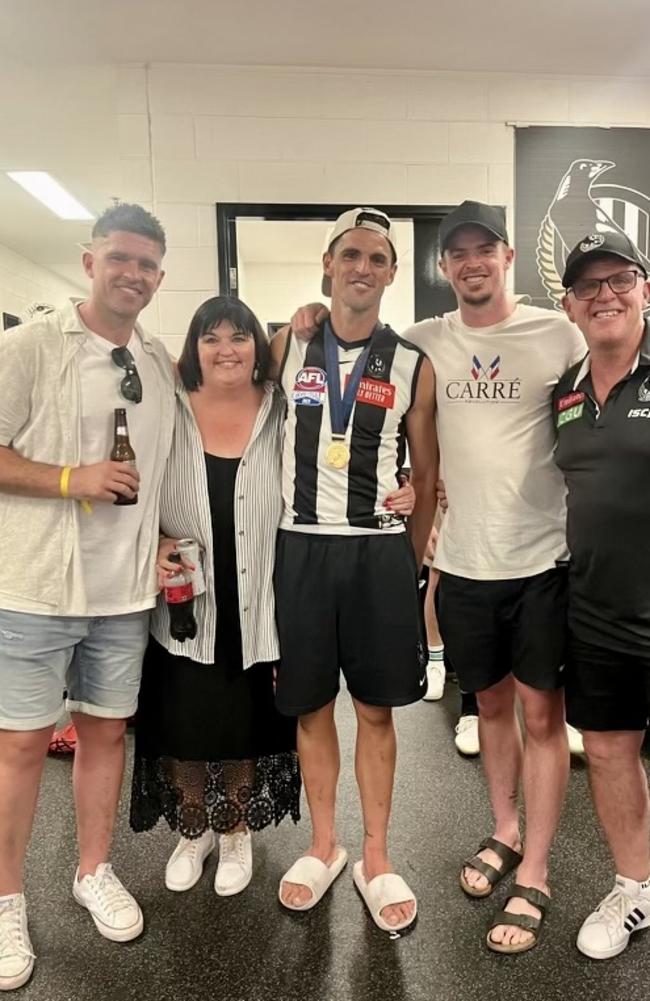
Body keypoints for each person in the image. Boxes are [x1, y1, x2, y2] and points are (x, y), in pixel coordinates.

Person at [289, 200, 585, 953]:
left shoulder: (558, 332)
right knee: (485, 707)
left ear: (508, 256)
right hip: (460, 564)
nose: (472, 262)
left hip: (540, 556)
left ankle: (539, 870)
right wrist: (300, 320)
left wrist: (405, 549)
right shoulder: (416, 341)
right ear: (441, 267)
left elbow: (597, 411)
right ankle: (502, 831)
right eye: (458, 253)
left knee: (542, 718)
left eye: (485, 249)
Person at [0, 203, 174, 990]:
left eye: (146, 265)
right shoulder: (29, 347)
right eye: (120, 259)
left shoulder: (158, 359)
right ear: (89, 261)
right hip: (35, 588)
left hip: (123, 594)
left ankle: (93, 869)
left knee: (105, 738)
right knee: (21, 746)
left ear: (159, 278)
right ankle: (6, 900)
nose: (132, 274)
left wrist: (167, 539)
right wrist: (72, 480)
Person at [271, 208, 437, 934]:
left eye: (376, 256)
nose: (362, 267)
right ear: (328, 265)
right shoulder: (286, 343)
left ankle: (375, 853)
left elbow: (426, 475)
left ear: (392, 272)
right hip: (301, 545)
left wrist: (411, 561)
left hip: (376, 553)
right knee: (311, 707)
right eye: (350, 255)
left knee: (375, 708)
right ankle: (322, 843)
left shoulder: (411, 363)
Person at [129, 296, 302, 896]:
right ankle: (193, 826)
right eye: (211, 338)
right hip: (185, 595)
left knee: (243, 716)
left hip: (259, 591)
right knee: (186, 715)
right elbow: (137, 485)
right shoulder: (169, 407)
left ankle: (233, 830)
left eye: (238, 337)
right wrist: (152, 543)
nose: (226, 349)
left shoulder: (279, 407)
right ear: (194, 348)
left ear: (258, 344)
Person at [554, 231, 650, 960]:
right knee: (612, 752)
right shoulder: (566, 390)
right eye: (589, 286)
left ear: (645, 288)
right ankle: (635, 888)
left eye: (620, 279)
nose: (605, 295)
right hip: (596, 611)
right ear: (570, 305)